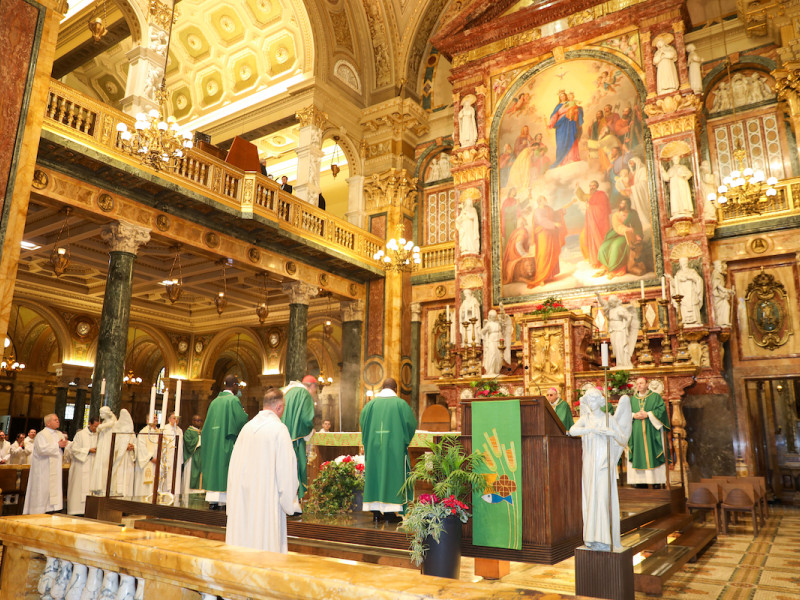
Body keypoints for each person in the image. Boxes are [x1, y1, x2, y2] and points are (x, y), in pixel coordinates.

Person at [226, 388, 298, 552]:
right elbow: (286, 471)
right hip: (266, 505)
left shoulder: (246, 428)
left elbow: (232, 469)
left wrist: (231, 502)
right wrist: (289, 503)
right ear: (279, 407)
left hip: (242, 503)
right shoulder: (279, 430)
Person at [569, 389, 632, 551]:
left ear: (600, 401)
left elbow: (623, 439)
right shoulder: (586, 418)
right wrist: (590, 430)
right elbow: (572, 431)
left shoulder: (608, 419)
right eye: (588, 399)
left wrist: (611, 433)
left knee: (602, 498)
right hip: (589, 463)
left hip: (603, 463)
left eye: (593, 399)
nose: (590, 402)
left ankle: (604, 538)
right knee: (591, 497)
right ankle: (591, 537)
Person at [360, 378, 417, 522]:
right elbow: (411, 425)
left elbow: (363, 424)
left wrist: (369, 442)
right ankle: (391, 514)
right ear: (395, 389)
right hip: (394, 449)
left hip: (374, 448)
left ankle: (376, 513)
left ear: (382, 387)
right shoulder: (401, 404)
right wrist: (403, 441)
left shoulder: (370, 405)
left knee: (375, 475)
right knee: (393, 476)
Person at [201, 375, 249, 509]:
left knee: (214, 468)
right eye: (237, 385)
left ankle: (213, 501)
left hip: (213, 443)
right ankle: (223, 501)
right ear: (234, 385)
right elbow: (241, 421)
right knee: (224, 468)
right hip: (226, 442)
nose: (238, 388)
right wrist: (245, 414)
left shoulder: (214, 402)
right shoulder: (233, 400)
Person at [627, 377, 670, 487]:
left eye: (641, 383)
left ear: (647, 384)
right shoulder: (632, 399)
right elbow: (626, 413)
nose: (639, 385)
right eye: (637, 384)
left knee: (653, 452)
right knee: (638, 452)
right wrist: (633, 415)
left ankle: (656, 481)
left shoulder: (655, 397)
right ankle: (640, 482)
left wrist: (649, 414)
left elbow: (662, 410)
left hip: (651, 431)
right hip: (636, 433)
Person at [281, 375, 316, 504]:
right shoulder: (303, 393)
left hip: (279, 437)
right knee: (294, 468)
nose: (314, 394)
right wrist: (310, 431)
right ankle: (293, 504)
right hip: (294, 440)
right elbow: (307, 419)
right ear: (312, 386)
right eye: (315, 390)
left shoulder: (284, 390)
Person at [23, 414, 68, 514]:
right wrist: (57, 445)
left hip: (55, 468)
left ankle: (53, 509)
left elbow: (65, 448)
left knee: (54, 488)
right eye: (55, 420)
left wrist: (66, 445)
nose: (58, 421)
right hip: (43, 469)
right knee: (42, 490)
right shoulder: (41, 435)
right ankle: (39, 510)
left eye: (58, 419)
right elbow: (41, 450)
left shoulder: (59, 434)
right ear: (48, 423)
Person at [597, 197, 645, 278]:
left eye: (624, 203)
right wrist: (627, 229)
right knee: (603, 247)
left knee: (616, 246)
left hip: (630, 235)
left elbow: (638, 226)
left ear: (628, 205)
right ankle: (606, 266)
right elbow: (617, 226)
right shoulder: (616, 215)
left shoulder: (633, 213)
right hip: (617, 234)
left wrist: (638, 235)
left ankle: (614, 269)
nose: (622, 205)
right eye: (621, 203)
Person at [531, 195, 568, 286]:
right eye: (544, 199)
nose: (546, 200)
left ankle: (549, 275)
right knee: (544, 254)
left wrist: (561, 212)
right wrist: (554, 223)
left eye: (545, 199)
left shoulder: (548, 208)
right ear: (539, 201)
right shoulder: (537, 211)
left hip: (551, 233)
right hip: (542, 234)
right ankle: (541, 278)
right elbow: (542, 221)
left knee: (552, 252)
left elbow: (554, 214)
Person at [575, 180, 612, 270]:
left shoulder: (601, 195)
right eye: (590, 185)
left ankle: (604, 260)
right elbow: (583, 197)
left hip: (600, 223)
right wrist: (578, 188)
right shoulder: (590, 195)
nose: (592, 187)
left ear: (597, 186)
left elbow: (603, 208)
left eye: (593, 185)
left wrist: (590, 207)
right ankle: (595, 261)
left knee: (600, 239)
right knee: (592, 240)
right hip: (592, 222)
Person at [67, 417, 99, 515]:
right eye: (94, 426)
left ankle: (89, 510)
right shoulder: (80, 434)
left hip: (93, 466)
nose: (96, 429)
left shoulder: (99, 435)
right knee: (78, 488)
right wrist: (88, 450)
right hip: (80, 466)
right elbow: (74, 450)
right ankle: (77, 511)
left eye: (98, 427)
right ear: (89, 423)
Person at [548, 90, 583, 168]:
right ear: (559, 98)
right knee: (561, 142)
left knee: (572, 138)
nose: (562, 97)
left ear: (566, 96)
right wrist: (551, 123)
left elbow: (578, 109)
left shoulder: (570, 102)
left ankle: (573, 158)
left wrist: (577, 111)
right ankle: (563, 161)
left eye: (563, 96)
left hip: (571, 123)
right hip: (561, 125)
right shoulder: (558, 106)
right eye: (561, 96)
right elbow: (554, 115)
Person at [668, 257, 704, 326]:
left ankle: (696, 321)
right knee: (683, 306)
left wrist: (690, 277)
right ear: (680, 264)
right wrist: (671, 279)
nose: (684, 264)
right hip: (683, 294)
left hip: (692, 292)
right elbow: (675, 285)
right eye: (683, 263)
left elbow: (699, 280)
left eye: (685, 262)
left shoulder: (692, 271)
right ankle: (685, 321)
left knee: (693, 304)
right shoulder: (679, 273)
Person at [89, 406, 117, 494]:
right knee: (100, 464)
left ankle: (105, 486)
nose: (100, 415)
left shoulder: (112, 422)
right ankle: (99, 485)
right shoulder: (105, 422)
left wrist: (101, 426)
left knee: (105, 464)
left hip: (107, 445)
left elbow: (109, 424)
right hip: (102, 444)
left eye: (102, 413)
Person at [133, 416, 161, 498]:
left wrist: (160, 457)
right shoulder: (143, 432)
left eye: (156, 417)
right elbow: (141, 448)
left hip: (157, 463)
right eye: (153, 417)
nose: (156, 419)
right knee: (145, 487)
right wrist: (151, 458)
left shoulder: (159, 432)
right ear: (148, 420)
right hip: (146, 463)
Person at [161, 412, 183, 493]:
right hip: (167, 458)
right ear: (169, 419)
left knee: (175, 479)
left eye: (177, 418)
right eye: (174, 418)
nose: (176, 420)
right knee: (167, 479)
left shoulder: (179, 430)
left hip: (177, 459)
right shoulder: (165, 429)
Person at [183, 414, 203, 494]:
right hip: (192, 458)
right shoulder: (189, 432)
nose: (199, 422)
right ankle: (189, 493)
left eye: (200, 421)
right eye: (197, 420)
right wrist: (199, 439)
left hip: (201, 458)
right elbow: (188, 443)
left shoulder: (202, 431)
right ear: (192, 421)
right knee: (190, 477)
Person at [712, 260, 735, 328]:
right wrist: (728, 291)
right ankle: (721, 322)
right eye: (719, 266)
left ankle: (724, 322)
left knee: (726, 306)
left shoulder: (719, 275)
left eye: (720, 266)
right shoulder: (716, 274)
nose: (720, 268)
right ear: (715, 267)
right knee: (725, 307)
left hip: (722, 295)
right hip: (718, 296)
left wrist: (727, 291)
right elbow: (718, 286)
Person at [480, 310, 504, 377]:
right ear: (490, 317)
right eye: (493, 317)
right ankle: (491, 370)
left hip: (498, 340)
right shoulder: (488, 324)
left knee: (498, 355)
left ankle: (496, 370)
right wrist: (484, 330)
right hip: (491, 341)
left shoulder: (497, 323)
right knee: (492, 354)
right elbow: (482, 332)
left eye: (495, 316)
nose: (494, 318)